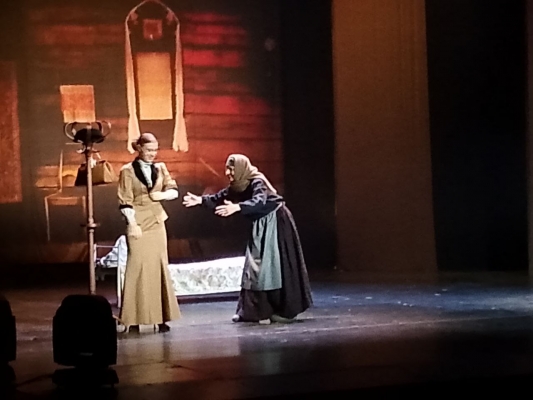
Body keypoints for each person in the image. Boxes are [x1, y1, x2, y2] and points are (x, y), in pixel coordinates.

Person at [182, 154, 312, 324]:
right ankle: (253, 312)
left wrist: (238, 207)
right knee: (256, 267)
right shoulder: (239, 184)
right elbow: (221, 196)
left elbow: (259, 201)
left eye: (231, 169)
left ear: (241, 168)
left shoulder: (258, 181)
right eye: (227, 168)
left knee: (271, 267)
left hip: (276, 223)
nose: (228, 172)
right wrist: (200, 200)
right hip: (261, 224)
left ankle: (281, 310)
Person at [118, 132, 181, 332]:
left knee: (158, 266)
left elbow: (174, 190)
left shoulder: (160, 167)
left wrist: (160, 195)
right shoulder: (127, 171)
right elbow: (125, 200)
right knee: (137, 267)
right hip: (138, 222)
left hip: (156, 222)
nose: (153, 154)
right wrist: (132, 224)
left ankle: (161, 318)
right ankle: (133, 319)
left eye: (155, 150)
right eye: (149, 150)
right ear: (139, 149)